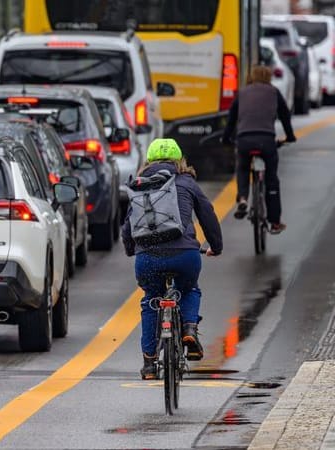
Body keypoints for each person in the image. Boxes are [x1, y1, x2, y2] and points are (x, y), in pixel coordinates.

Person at [122, 138, 223, 380]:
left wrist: (131, 250)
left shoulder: (140, 185)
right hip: (185, 255)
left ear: (149, 160)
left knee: (151, 299)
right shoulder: (187, 182)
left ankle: (149, 364)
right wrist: (216, 246)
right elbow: (207, 215)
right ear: (179, 160)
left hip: (148, 258)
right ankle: (189, 329)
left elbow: (128, 227)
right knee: (189, 289)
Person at [222, 64, 296, 234]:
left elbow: (231, 119)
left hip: (244, 140)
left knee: (242, 168)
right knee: (271, 179)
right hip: (267, 140)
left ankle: (242, 198)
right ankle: (275, 222)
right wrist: (290, 136)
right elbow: (285, 116)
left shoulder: (242, 93)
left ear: (251, 77)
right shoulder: (274, 92)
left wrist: (226, 139)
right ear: (269, 78)